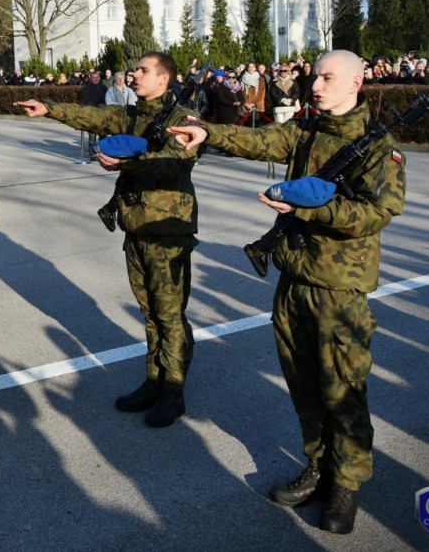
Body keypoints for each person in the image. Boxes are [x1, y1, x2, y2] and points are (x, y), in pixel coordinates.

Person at [170, 49, 405, 535]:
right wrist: (209, 133)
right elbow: (259, 139)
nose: (315, 85)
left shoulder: (380, 148)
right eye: (314, 76)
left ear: (356, 83)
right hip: (294, 280)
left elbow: (372, 216)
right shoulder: (307, 130)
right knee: (303, 384)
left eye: (327, 78)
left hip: (339, 290)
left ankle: (347, 484)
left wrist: (308, 204)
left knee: (343, 389)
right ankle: (318, 467)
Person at [15, 52, 200, 428]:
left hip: (168, 230)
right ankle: (153, 380)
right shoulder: (131, 114)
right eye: (135, 71)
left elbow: (174, 162)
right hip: (136, 226)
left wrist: (129, 161)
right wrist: (49, 108)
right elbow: (94, 117)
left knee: (170, 316)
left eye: (144, 71)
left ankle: (173, 391)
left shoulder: (184, 121)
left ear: (164, 79)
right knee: (150, 314)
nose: (135, 75)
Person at [81, 70, 109, 156]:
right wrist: (96, 105)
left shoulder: (104, 88)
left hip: (102, 114)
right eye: (94, 77)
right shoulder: (86, 88)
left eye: (97, 77)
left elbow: (107, 98)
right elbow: (86, 100)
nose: (95, 79)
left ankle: (102, 152)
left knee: (103, 136)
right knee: (92, 136)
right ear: (90, 78)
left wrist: (104, 104)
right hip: (92, 114)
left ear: (100, 78)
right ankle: (92, 154)